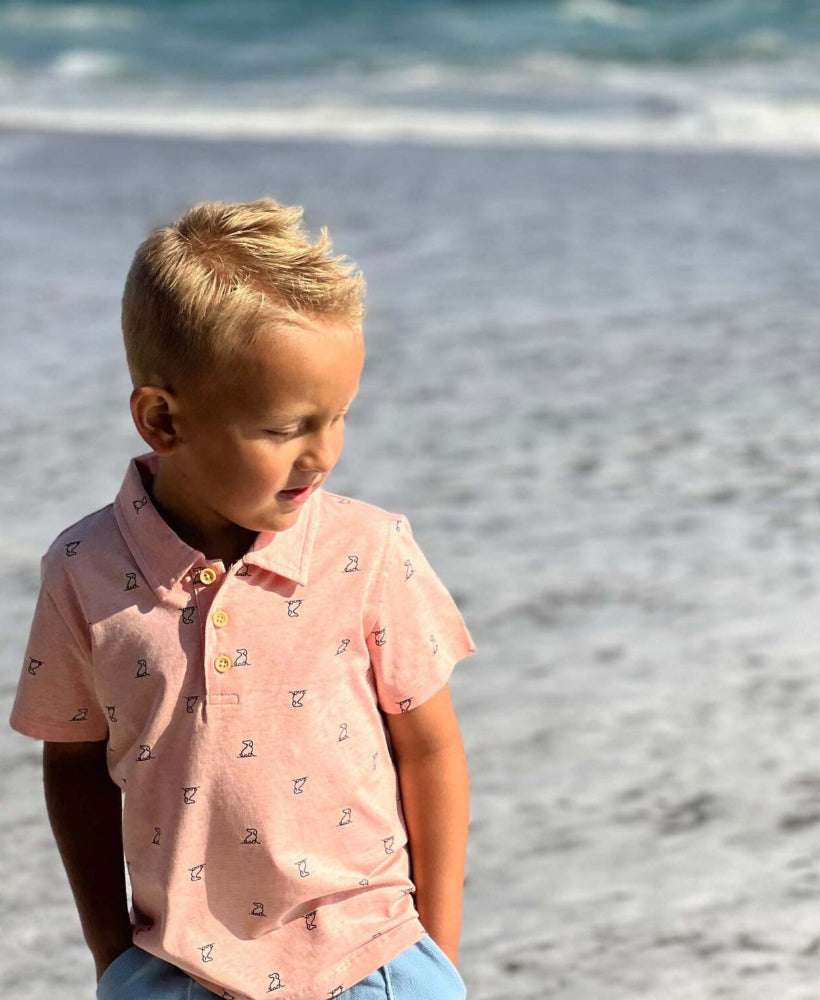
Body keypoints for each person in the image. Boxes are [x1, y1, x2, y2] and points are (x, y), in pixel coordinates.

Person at [8, 197, 476, 999]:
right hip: (176, 973)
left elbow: (428, 750)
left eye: (338, 419)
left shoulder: (368, 551)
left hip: (373, 965)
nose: (321, 454)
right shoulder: (83, 570)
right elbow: (74, 764)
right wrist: (112, 959)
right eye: (284, 429)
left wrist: (438, 957)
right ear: (163, 420)